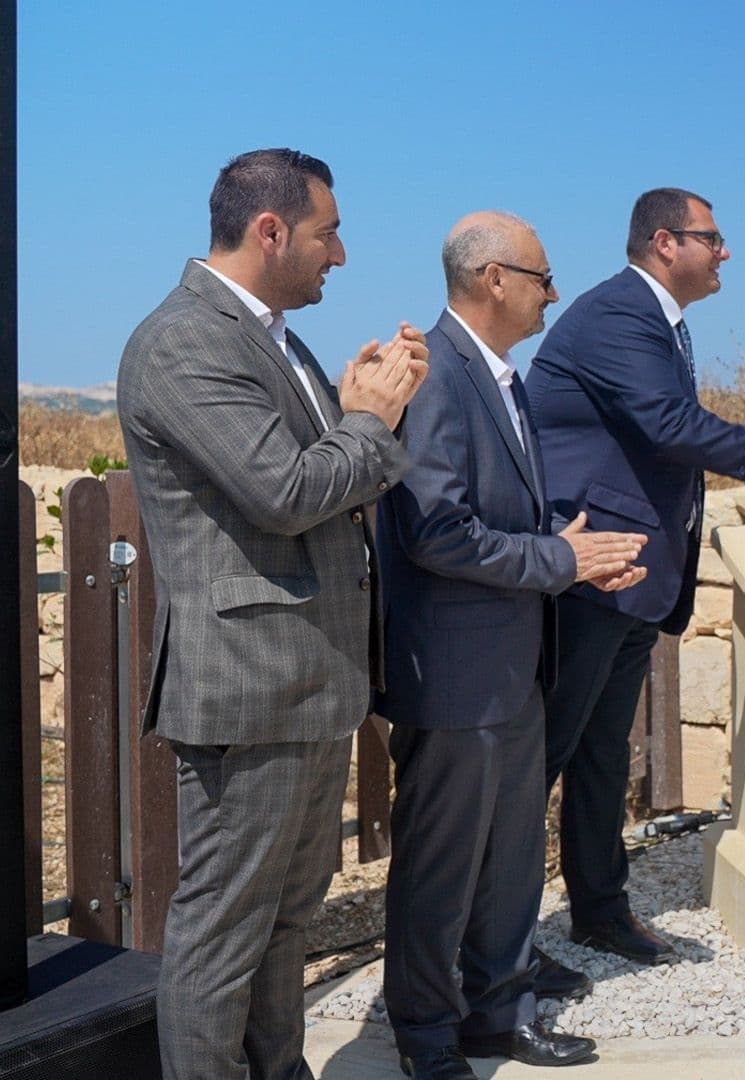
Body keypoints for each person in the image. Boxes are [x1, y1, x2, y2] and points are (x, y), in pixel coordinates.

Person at [116, 148, 428, 1079]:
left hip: (307, 685)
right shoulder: (184, 341)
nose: (340, 254)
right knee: (220, 937)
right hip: (250, 691)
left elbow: (318, 474)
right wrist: (369, 421)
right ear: (271, 230)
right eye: (329, 233)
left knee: (288, 921)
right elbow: (287, 491)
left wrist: (360, 406)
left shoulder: (273, 337)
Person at [526, 188, 745, 966]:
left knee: (601, 755)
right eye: (714, 237)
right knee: (542, 760)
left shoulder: (661, 322)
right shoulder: (621, 314)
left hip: (631, 574)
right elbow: (668, 424)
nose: (725, 251)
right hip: (590, 568)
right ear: (666, 242)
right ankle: (494, 948)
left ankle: (598, 911)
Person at [377, 213, 649, 1078]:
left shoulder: (502, 378)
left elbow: (499, 520)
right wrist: (560, 556)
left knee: (509, 859)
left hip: (511, 671)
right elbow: (437, 533)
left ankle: (498, 1014)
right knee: (441, 869)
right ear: (495, 279)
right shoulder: (436, 377)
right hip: (454, 678)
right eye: (542, 276)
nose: (554, 292)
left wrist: (562, 549)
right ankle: (426, 1039)